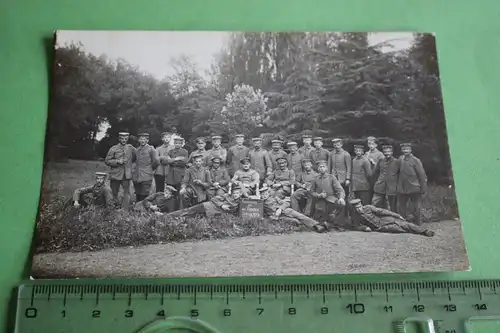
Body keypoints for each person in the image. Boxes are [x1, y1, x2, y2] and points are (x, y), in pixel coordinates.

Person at [259, 185, 326, 233]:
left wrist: (280, 209)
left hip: (285, 211)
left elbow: (287, 203)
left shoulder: (274, 198)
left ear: (268, 193)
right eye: (262, 195)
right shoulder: (260, 203)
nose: (264, 196)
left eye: (265, 194)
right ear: (260, 195)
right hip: (277, 217)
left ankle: (317, 226)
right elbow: (261, 214)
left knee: (300, 216)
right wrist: (271, 217)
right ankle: (315, 226)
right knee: (295, 221)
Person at [349, 199, 434, 237]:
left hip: (385, 220)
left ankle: (425, 232)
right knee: (398, 229)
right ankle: (416, 231)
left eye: (360, 206)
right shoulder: (355, 216)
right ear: (354, 209)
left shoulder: (368, 207)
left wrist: (396, 215)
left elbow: (382, 211)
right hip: (380, 227)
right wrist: (364, 228)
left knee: (405, 224)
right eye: (357, 208)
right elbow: (355, 226)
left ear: (362, 205)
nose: (359, 209)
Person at [168, 184, 244, 218]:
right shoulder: (227, 196)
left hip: (211, 213)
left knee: (190, 217)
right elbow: (214, 199)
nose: (235, 195)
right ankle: (167, 216)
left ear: (240, 194)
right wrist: (222, 205)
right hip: (206, 206)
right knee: (188, 211)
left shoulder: (240, 202)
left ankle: (170, 218)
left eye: (237, 193)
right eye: (234, 193)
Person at [397, 143, 427, 225]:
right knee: (401, 206)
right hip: (402, 187)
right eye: (403, 149)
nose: (405, 151)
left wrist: (423, 189)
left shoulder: (416, 160)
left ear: (410, 150)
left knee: (416, 206)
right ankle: (402, 223)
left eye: (407, 149)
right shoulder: (400, 159)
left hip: (414, 187)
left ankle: (418, 223)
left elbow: (421, 175)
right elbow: (397, 172)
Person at [104, 132, 136, 208]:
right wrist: (117, 161)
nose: (124, 140)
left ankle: (124, 208)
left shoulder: (131, 148)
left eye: (125, 139)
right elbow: (107, 161)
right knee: (114, 192)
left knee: (127, 192)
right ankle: (114, 206)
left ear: (127, 139)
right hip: (115, 174)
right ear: (119, 139)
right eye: (122, 138)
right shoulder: (113, 148)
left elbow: (135, 157)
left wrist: (129, 164)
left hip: (126, 175)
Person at [372, 144, 400, 211]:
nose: (387, 153)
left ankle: (394, 220)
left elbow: (401, 174)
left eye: (388, 152)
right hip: (380, 186)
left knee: (393, 207)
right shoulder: (381, 161)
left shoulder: (397, 162)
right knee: (374, 203)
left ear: (392, 152)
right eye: (385, 152)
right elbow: (375, 173)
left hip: (392, 188)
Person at [133, 133, 159, 202]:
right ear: (139, 140)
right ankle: (137, 209)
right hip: (137, 176)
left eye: (144, 139)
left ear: (147, 140)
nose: (142, 141)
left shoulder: (151, 149)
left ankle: (144, 210)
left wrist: (150, 169)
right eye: (141, 139)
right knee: (138, 193)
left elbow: (156, 161)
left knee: (144, 194)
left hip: (146, 175)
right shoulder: (137, 150)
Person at [165, 137, 189, 210]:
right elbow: (167, 161)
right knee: (171, 191)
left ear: (182, 144)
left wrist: (173, 161)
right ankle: (171, 207)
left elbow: (184, 163)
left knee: (179, 191)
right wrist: (177, 159)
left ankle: (180, 207)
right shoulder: (170, 151)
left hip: (180, 174)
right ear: (174, 144)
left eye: (179, 143)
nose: (177, 145)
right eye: (176, 143)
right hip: (171, 174)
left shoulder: (185, 152)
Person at [329, 138, 352, 203]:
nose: (336, 146)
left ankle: (345, 209)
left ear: (341, 145)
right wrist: (329, 176)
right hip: (334, 177)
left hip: (343, 178)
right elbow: (329, 166)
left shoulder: (346, 154)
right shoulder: (331, 154)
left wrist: (348, 178)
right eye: (335, 145)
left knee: (344, 195)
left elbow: (349, 167)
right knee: (335, 194)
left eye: (338, 145)